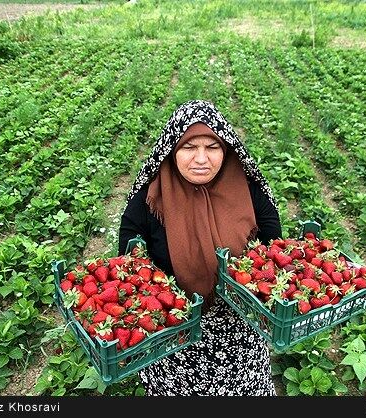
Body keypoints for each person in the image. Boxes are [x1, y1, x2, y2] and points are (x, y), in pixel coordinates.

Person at [118, 99, 282, 396]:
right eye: (189, 147)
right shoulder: (148, 200)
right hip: (173, 336)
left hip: (240, 334)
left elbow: (274, 255)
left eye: (213, 147)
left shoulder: (249, 190)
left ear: (227, 149)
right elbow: (130, 271)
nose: (201, 158)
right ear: (172, 150)